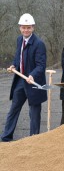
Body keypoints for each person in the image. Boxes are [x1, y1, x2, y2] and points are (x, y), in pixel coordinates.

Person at [1, 13, 47, 141]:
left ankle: (34, 140)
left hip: (34, 82)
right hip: (21, 81)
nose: (26, 30)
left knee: (34, 113)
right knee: (13, 109)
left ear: (33, 28)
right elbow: (18, 58)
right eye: (23, 27)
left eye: (28, 27)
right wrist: (13, 66)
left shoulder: (39, 44)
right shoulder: (19, 40)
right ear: (20, 27)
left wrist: (32, 75)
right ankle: (6, 137)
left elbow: (41, 65)